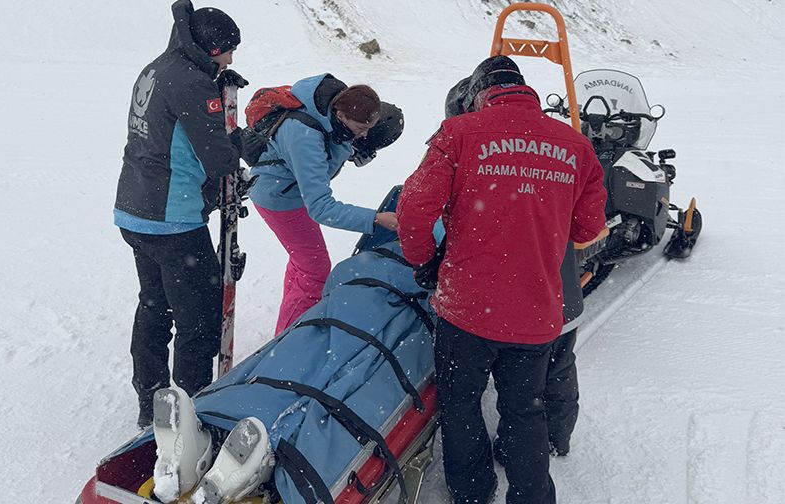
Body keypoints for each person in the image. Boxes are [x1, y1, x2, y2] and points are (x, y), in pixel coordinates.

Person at [397, 55, 607, 504]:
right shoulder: (575, 145)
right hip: (535, 314)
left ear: (477, 95)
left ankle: (472, 491)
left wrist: (424, 260)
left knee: (461, 404)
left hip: (465, 311)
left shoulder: (457, 135)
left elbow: (413, 209)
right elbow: (589, 228)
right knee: (525, 408)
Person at [113, 0, 246, 429]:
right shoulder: (190, 82)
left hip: (135, 209)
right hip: (172, 219)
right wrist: (244, 146)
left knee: (154, 305)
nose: (229, 60)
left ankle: (150, 399)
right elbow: (217, 155)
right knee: (200, 319)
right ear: (210, 50)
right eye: (227, 52)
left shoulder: (159, 66)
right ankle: (190, 415)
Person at [446, 62, 588, 460]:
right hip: (554, 289)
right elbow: (584, 222)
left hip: (528, 291)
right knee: (555, 368)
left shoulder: (478, 150)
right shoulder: (556, 146)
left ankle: (539, 441)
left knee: (544, 374)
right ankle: (551, 438)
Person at [248, 75, 400, 336]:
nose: (363, 136)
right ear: (341, 115)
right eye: (360, 128)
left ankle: (288, 323)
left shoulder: (330, 107)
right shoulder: (304, 136)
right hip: (280, 198)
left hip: (290, 191)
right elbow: (321, 206)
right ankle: (288, 343)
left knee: (303, 263)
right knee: (315, 271)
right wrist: (375, 219)